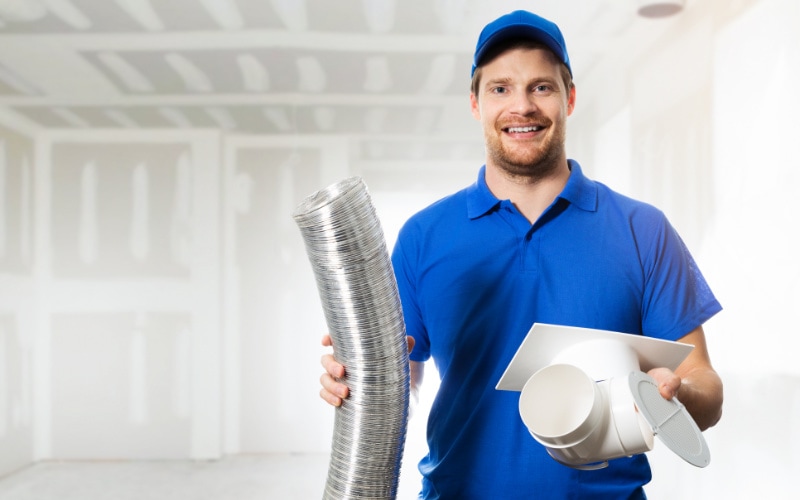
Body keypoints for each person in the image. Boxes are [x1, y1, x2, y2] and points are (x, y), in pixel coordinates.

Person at [320, 9, 723, 499]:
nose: (522, 106)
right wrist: (359, 381)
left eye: (541, 87)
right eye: (500, 89)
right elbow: (407, 377)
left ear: (569, 97)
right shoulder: (425, 235)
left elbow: (704, 384)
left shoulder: (643, 230)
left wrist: (673, 397)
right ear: (475, 103)